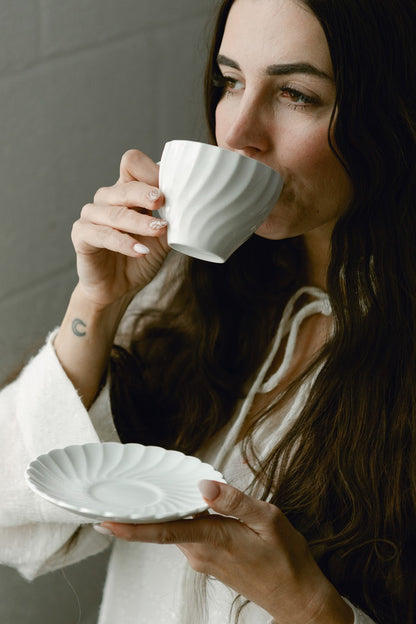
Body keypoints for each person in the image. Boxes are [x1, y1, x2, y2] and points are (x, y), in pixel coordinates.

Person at [0, 0, 414, 622]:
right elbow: (13, 511)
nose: (238, 134)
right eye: (230, 81)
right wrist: (97, 304)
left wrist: (306, 605)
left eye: (297, 94)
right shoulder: (191, 296)